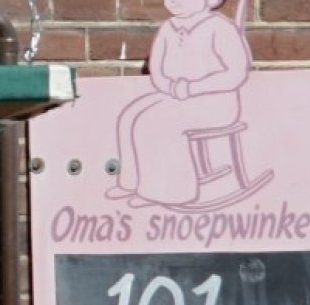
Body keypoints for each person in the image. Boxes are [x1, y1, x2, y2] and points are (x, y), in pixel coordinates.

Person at [108, 0, 252, 209]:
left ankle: (167, 191)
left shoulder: (220, 28)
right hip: (175, 95)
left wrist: (193, 88)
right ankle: (130, 181)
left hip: (215, 102)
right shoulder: (168, 28)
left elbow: (235, 73)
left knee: (155, 122)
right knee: (130, 115)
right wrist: (168, 86)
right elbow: (156, 68)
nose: (174, 1)